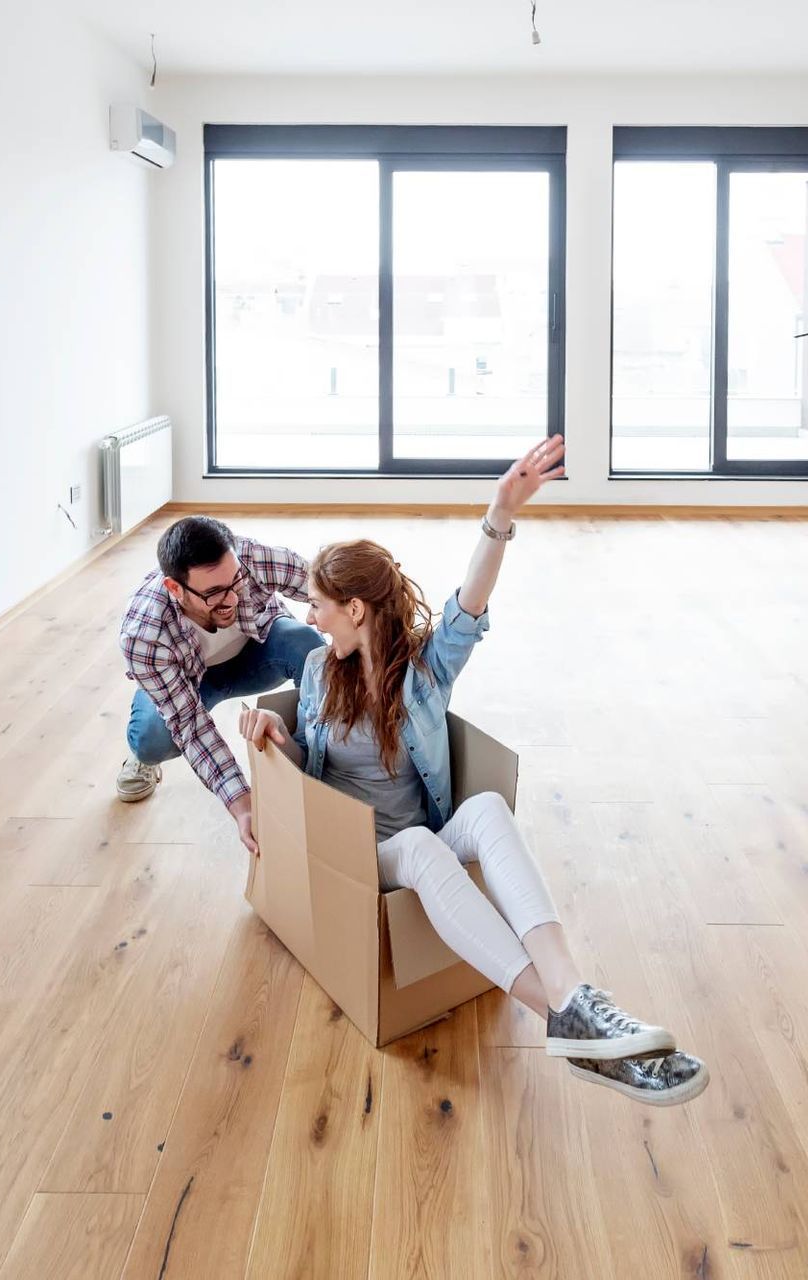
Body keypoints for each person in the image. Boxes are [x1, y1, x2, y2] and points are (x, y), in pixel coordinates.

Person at [239, 437, 709, 1107]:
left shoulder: (424, 673)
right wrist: (277, 737)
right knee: (419, 845)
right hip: (360, 854)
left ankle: (576, 1000)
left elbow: (470, 603)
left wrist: (500, 513)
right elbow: (305, 782)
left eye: (317, 604)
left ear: (355, 609)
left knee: (486, 806)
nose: (309, 617)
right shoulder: (316, 670)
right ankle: (562, 1019)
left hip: (420, 839)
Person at [119, 516, 322, 853]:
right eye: (213, 593)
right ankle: (144, 755)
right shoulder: (143, 635)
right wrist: (242, 804)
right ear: (175, 588)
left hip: (258, 656)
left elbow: (326, 586)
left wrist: (381, 591)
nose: (232, 600)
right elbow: (192, 726)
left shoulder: (249, 557)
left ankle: (324, 751)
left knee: (308, 646)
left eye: (235, 581)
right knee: (153, 738)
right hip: (187, 684)